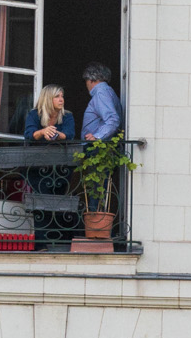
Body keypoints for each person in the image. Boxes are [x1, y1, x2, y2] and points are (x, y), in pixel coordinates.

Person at [20, 84, 79, 248]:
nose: (61, 99)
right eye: (57, 96)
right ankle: (41, 243)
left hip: (61, 167)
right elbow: (29, 133)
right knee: (41, 202)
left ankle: (58, 240)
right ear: (48, 99)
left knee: (57, 201)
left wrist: (56, 134)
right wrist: (42, 132)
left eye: (62, 96)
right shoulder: (34, 114)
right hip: (37, 167)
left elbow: (69, 134)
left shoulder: (67, 116)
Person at [80, 63, 123, 142]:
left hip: (96, 146)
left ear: (91, 80)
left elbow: (113, 119)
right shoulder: (107, 90)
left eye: (86, 80)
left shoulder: (101, 92)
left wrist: (97, 136)